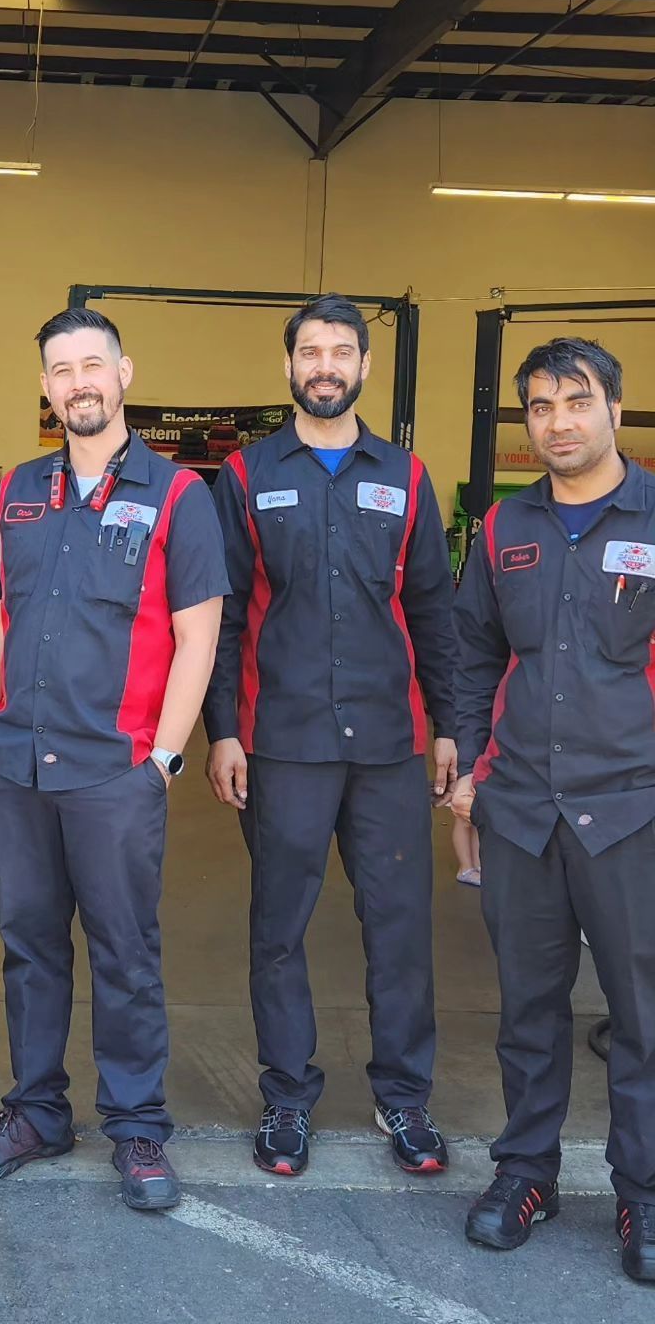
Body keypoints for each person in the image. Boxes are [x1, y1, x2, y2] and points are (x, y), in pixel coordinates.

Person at [0, 307, 227, 1211]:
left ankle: (138, 1127)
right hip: (17, 768)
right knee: (28, 947)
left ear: (124, 374)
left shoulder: (180, 496)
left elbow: (199, 637)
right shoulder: (18, 491)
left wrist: (164, 761)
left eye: (93, 365)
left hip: (115, 775)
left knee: (124, 952)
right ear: (45, 386)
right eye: (61, 369)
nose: (79, 382)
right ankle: (36, 1110)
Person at [203, 292, 457, 1178]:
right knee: (279, 927)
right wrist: (224, 733)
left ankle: (405, 1102)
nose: (325, 365)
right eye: (310, 351)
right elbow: (225, 615)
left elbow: (432, 607)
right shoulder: (244, 475)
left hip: (389, 743)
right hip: (284, 744)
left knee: (399, 927)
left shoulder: (409, 477)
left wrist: (451, 725)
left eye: (341, 351)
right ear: (289, 366)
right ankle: (287, 1099)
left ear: (363, 367)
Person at [452, 337, 655, 1282]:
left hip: (632, 812)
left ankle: (644, 1196)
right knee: (528, 1009)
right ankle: (526, 1174)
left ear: (616, 407)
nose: (558, 422)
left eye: (576, 401)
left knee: (643, 1014)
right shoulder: (502, 529)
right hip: (523, 808)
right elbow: (474, 653)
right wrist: (469, 767)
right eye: (540, 407)